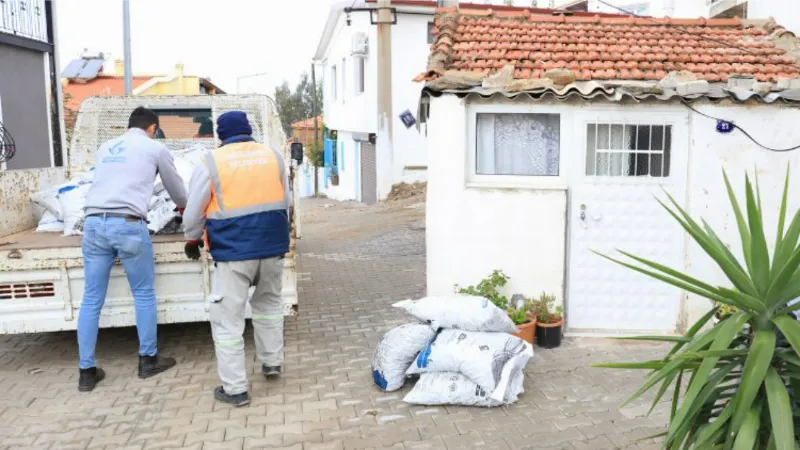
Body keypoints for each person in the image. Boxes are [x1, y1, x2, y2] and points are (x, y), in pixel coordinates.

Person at [182, 111, 290, 407]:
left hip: (233, 252)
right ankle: (272, 363)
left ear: (221, 134)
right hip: (272, 246)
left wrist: (192, 237)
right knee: (268, 306)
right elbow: (286, 202)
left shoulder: (211, 162)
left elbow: (194, 211)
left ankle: (235, 390)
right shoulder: (273, 156)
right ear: (249, 130)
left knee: (228, 322)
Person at [77, 107, 188, 392]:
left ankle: (87, 372)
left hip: (92, 223)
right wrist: (187, 208)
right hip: (127, 224)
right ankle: (147, 360)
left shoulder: (106, 147)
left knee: (91, 298)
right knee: (143, 293)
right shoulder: (155, 148)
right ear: (153, 128)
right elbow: (177, 192)